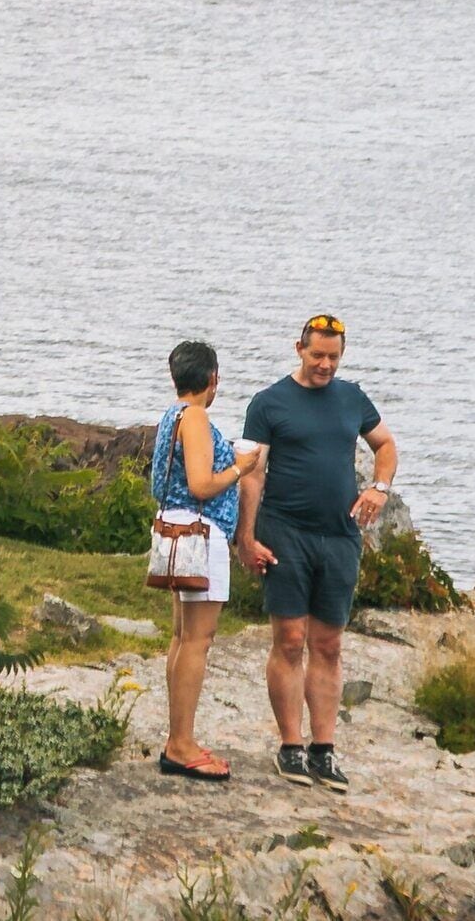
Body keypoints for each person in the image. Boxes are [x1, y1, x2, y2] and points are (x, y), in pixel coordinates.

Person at [237, 314, 400, 790]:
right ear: (299, 349)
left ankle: (323, 750)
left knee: (328, 644)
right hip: (285, 532)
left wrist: (380, 487)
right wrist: (246, 539)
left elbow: (385, 444)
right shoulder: (268, 403)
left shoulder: (352, 397)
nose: (325, 364)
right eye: (317, 355)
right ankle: (290, 747)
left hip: (339, 535)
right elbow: (251, 473)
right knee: (289, 639)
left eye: (333, 356)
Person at [149, 340, 264, 781]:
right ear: (212, 378)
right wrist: (241, 468)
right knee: (198, 639)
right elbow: (200, 484)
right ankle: (180, 744)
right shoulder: (195, 416)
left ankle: (179, 737)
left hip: (176, 531)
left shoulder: (171, 416)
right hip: (200, 534)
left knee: (182, 637)